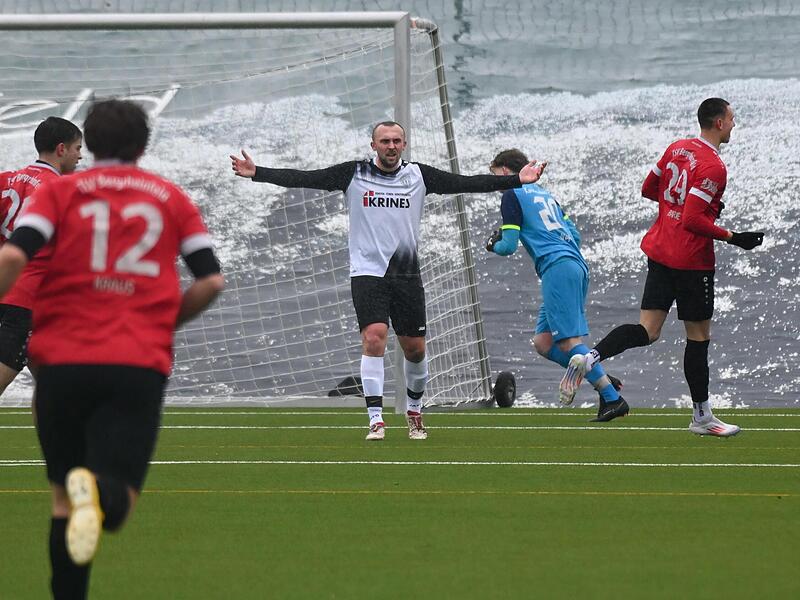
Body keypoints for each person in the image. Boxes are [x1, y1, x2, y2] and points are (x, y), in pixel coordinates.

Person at [0, 99, 224, 599]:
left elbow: (15, 253)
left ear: (91, 145)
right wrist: (166, 321)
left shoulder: (61, 193)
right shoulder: (168, 196)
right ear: (142, 146)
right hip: (136, 360)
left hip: (61, 359)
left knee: (62, 499)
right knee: (116, 503)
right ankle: (96, 490)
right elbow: (210, 280)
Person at [230, 121, 545, 440]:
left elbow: (465, 182)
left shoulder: (419, 175)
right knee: (374, 337)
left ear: (404, 144)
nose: (391, 146)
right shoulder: (352, 173)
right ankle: (375, 419)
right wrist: (258, 172)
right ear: (373, 145)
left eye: (396, 141)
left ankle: (414, 411)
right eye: (384, 141)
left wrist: (517, 179)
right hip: (367, 272)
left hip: (406, 274)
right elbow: (306, 178)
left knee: (415, 350)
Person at [559, 98, 764, 437]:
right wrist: (733, 236)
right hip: (691, 260)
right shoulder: (714, 166)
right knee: (698, 338)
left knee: (648, 330)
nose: (733, 123)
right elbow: (694, 218)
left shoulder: (677, 148)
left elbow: (649, 189)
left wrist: (680, 205)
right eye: (731, 118)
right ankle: (701, 417)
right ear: (718, 123)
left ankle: (591, 358)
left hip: (660, 250)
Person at [487, 149, 628, 421]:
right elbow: (574, 235)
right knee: (543, 342)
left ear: (505, 171)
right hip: (574, 264)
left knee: (566, 343)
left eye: (495, 176)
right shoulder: (545, 195)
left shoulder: (511, 194)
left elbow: (507, 247)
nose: (495, 184)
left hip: (557, 269)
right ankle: (595, 372)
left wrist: (492, 243)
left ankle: (612, 398)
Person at [0, 116, 83, 395]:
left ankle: (58, 440)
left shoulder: (6, 180)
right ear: (61, 149)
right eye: (77, 149)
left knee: (55, 388)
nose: (80, 156)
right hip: (27, 301)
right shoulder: (59, 190)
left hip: (7, 291)